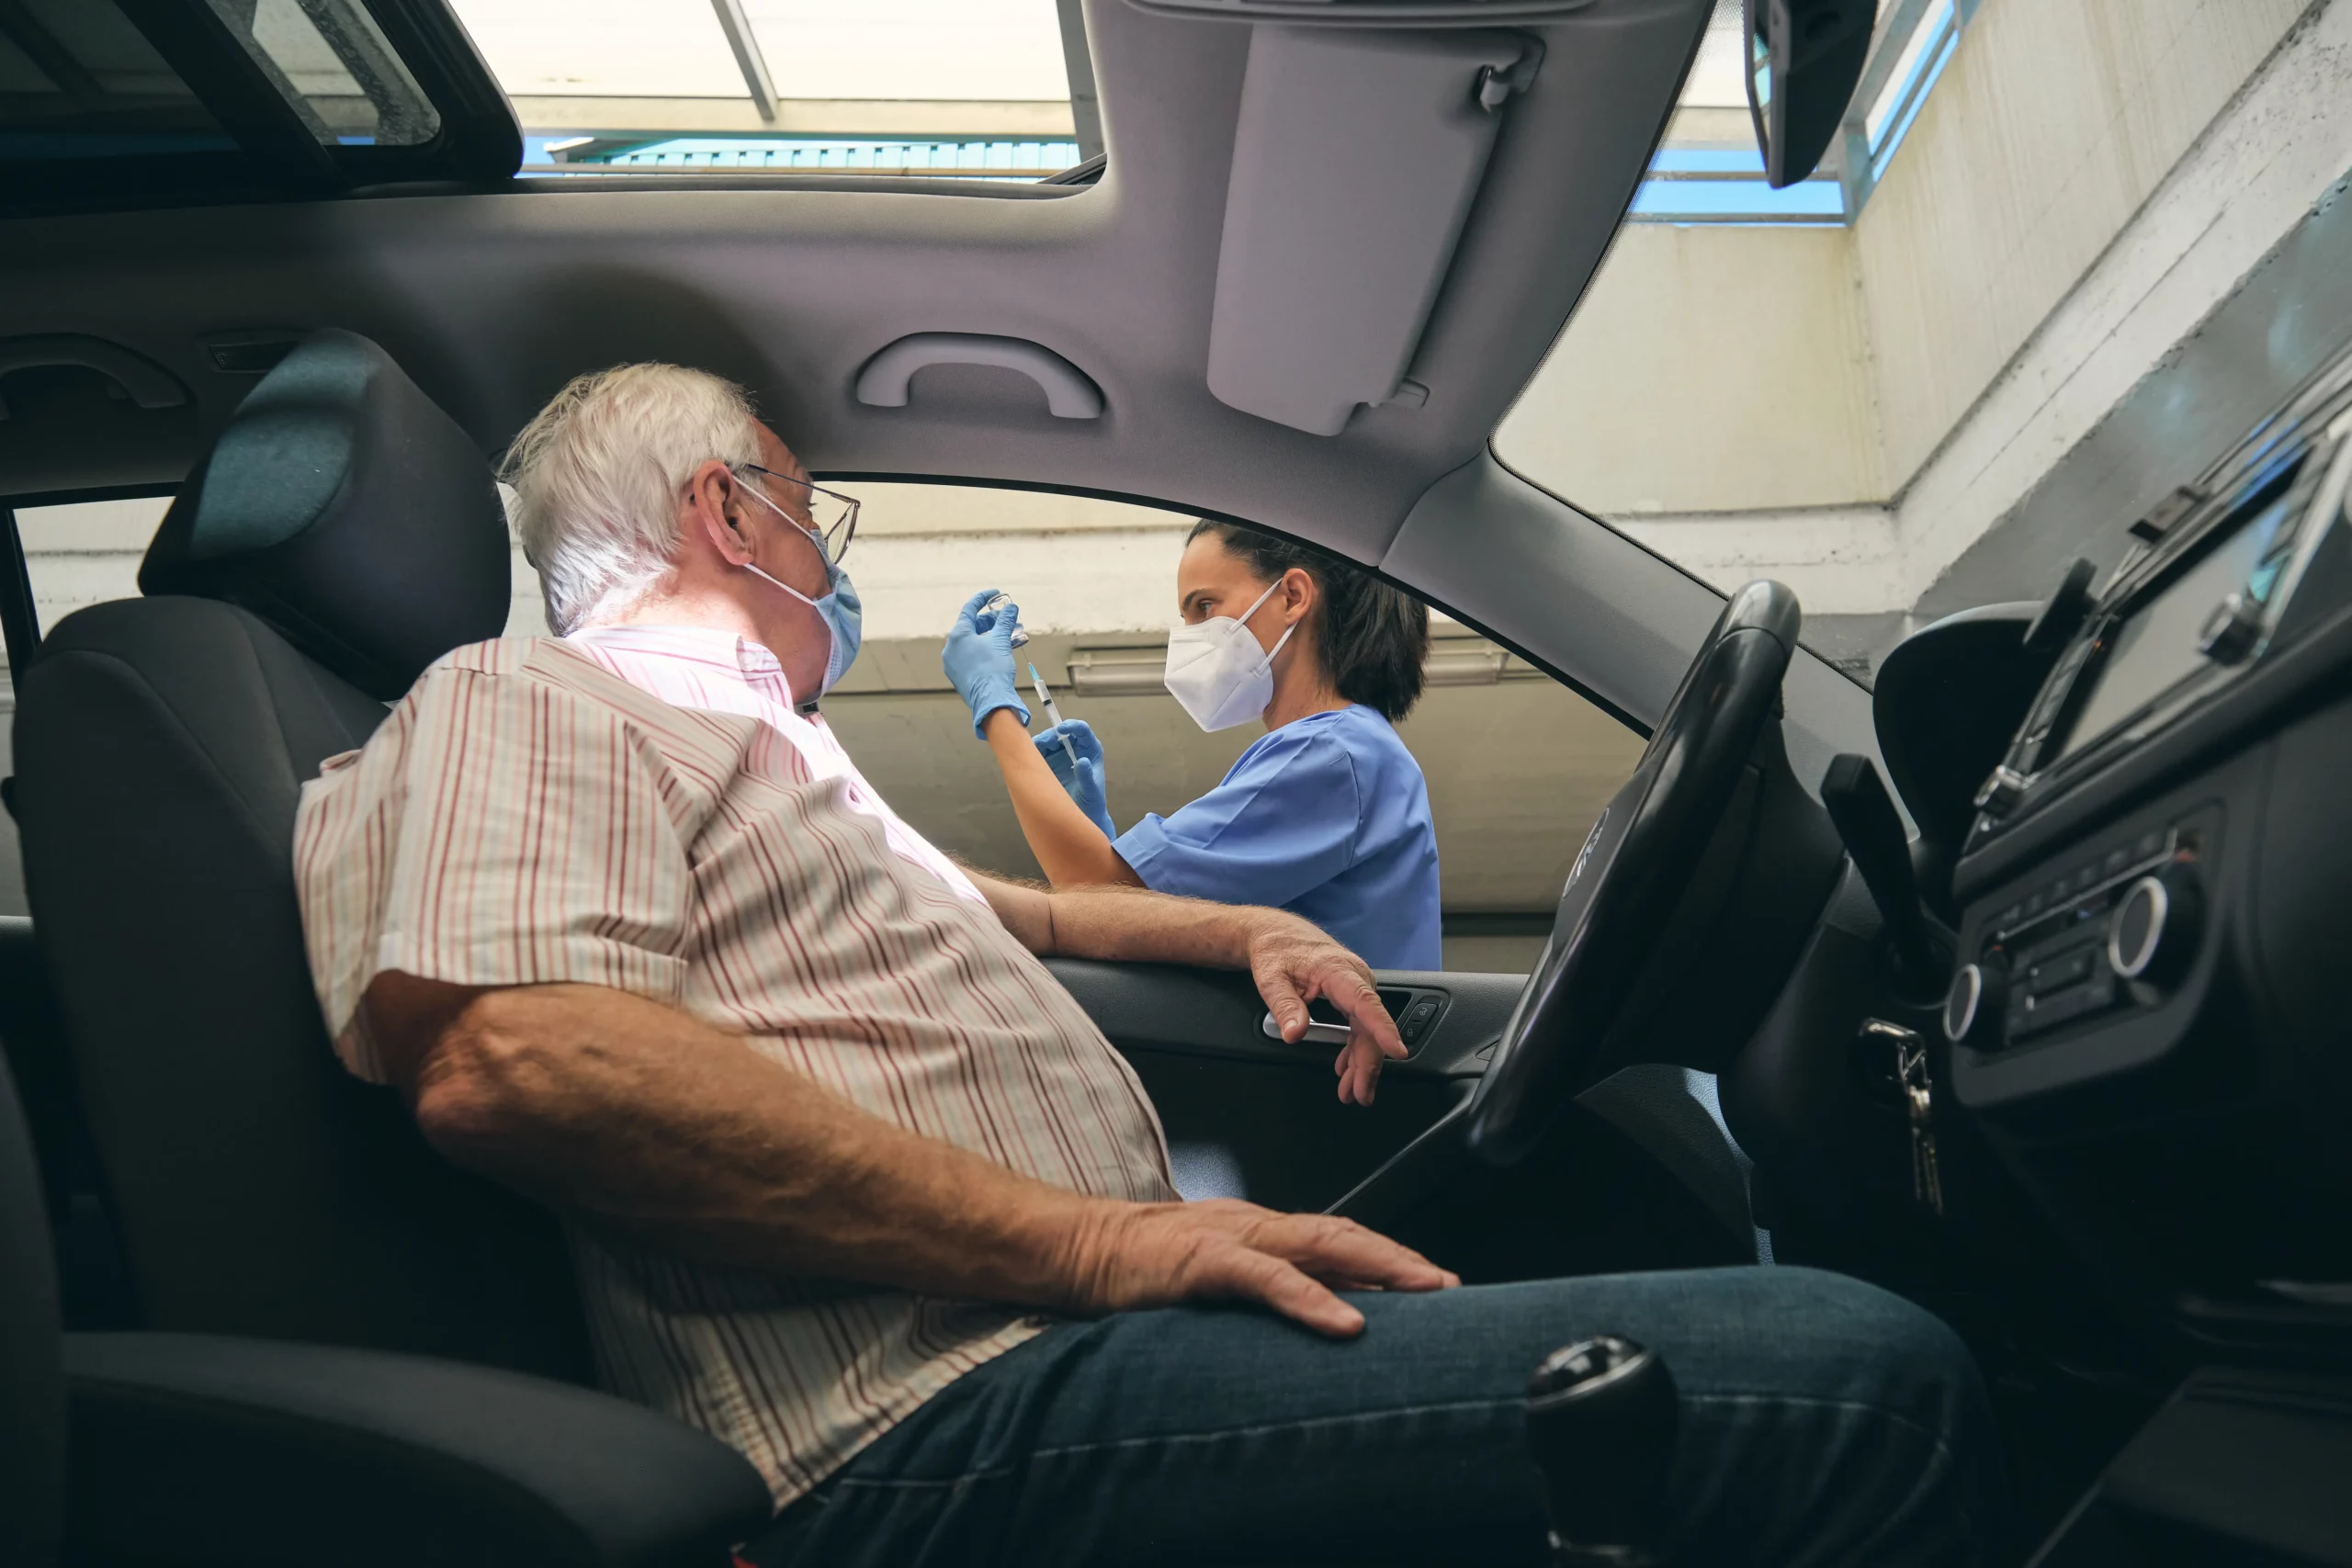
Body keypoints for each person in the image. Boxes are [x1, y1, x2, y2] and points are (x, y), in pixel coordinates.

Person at [292, 363, 2006, 1568]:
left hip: (1048, 1344)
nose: (835, 550)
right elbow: (521, 1056)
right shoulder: (536, 700)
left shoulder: (772, 753)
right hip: (930, 1425)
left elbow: (1026, 911)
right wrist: (1110, 1241)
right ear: (729, 511)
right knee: (1863, 1384)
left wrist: (1246, 925)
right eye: (818, 512)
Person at [944, 522, 1443, 972]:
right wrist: (1094, 832)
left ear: (1292, 596)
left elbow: (1094, 899)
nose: (1192, 638)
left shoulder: (1333, 753)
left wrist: (996, 710)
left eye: (1205, 607)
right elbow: (1117, 906)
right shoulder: (1352, 748)